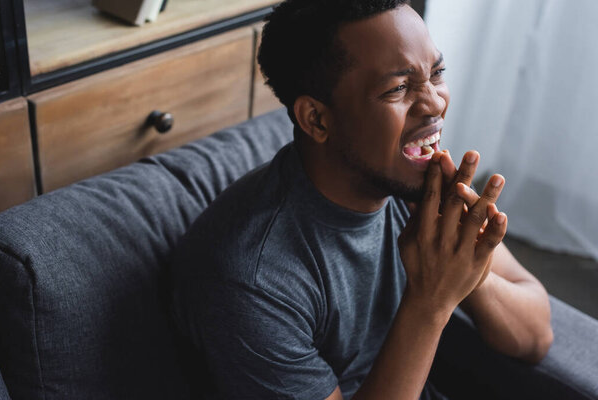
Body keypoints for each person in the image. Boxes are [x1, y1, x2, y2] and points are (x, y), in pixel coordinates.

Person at [171, 1, 554, 399]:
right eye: (398, 88)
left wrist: (461, 267)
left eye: (436, 73)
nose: (435, 102)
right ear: (317, 120)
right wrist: (430, 300)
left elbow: (536, 336)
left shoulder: (411, 186)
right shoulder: (251, 279)